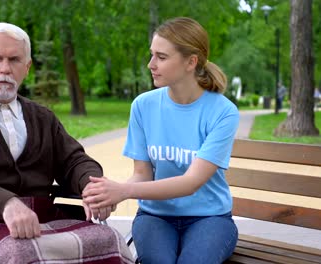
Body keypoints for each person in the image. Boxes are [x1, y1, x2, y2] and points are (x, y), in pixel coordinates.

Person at [0, 22, 132, 263]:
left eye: (14, 60)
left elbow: (74, 160)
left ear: (27, 68)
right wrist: (6, 203)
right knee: (20, 253)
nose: (5, 68)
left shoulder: (42, 117)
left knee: (110, 240)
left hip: (43, 215)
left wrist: (91, 187)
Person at [83, 17, 239, 264]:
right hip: (155, 216)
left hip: (210, 218)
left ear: (191, 62)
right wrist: (106, 194)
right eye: (152, 55)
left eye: (161, 57)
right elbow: (142, 174)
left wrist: (123, 191)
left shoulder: (223, 112)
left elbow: (190, 183)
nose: (150, 64)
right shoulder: (143, 106)